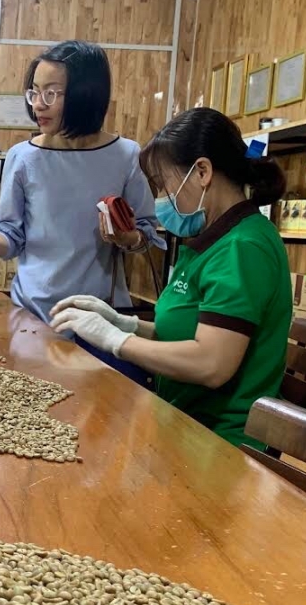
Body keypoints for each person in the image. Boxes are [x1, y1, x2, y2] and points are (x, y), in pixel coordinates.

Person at [50, 107, 292, 449]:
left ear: (202, 172)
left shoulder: (243, 247)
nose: (161, 199)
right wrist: (124, 324)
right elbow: (188, 329)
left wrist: (117, 342)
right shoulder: (212, 241)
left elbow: (211, 363)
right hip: (182, 422)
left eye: (163, 185)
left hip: (221, 445)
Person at [0, 41, 162, 325]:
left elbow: (146, 233)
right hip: (31, 313)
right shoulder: (23, 156)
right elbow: (12, 235)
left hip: (99, 315)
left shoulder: (126, 155)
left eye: (52, 93)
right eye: (35, 92)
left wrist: (128, 238)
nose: (39, 104)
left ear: (86, 95)